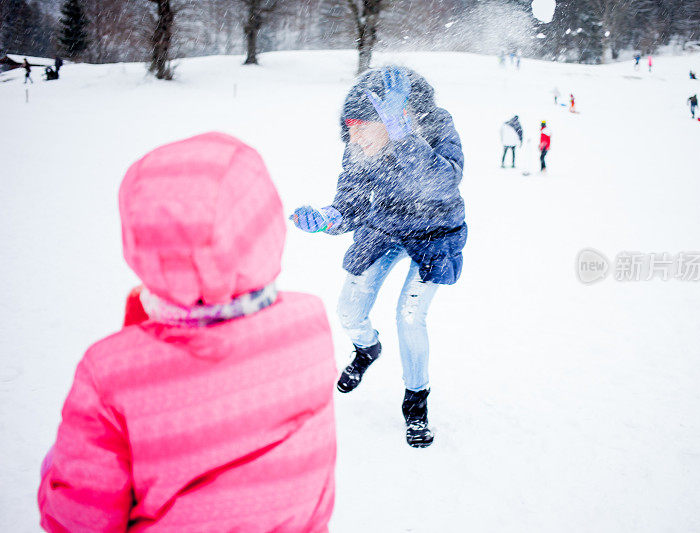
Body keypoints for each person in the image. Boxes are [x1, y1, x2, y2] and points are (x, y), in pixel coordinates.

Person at [37, 133, 338, 531]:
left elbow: (78, 517)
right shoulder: (309, 324)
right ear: (265, 223)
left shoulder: (110, 373)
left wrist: (52, 465)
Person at [289, 66, 467, 449]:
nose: (354, 137)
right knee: (349, 310)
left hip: (434, 232)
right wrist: (327, 218)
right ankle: (367, 348)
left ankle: (415, 404)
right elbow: (350, 201)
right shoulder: (359, 149)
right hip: (384, 226)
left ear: (395, 118)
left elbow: (443, 182)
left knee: (409, 315)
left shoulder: (436, 126)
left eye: (362, 126)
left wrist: (403, 139)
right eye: (349, 127)